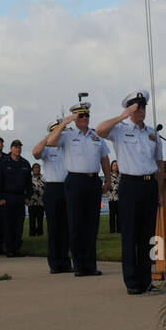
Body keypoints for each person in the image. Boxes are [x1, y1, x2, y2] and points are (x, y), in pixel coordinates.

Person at [96, 90, 164, 295]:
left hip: (149, 185)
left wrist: (160, 192)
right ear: (130, 108)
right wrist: (122, 116)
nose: (140, 110)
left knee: (147, 236)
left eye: (142, 106)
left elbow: (159, 164)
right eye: (136, 107)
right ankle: (132, 282)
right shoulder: (120, 129)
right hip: (130, 186)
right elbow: (100, 130)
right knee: (130, 235)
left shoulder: (153, 134)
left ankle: (146, 281)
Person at [46, 101, 110, 277]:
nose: (84, 118)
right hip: (75, 181)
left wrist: (108, 180)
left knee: (91, 225)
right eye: (80, 115)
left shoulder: (96, 136)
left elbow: (104, 157)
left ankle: (91, 265)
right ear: (75, 118)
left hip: (93, 181)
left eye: (86, 115)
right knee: (76, 224)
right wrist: (64, 123)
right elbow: (51, 141)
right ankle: (80, 265)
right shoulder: (67, 135)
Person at [33, 121, 72, 273]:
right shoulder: (47, 149)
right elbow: (35, 153)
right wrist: (48, 137)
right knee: (54, 228)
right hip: (53, 188)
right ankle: (55, 263)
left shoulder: (67, 147)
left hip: (68, 188)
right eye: (57, 131)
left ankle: (65, 261)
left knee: (67, 228)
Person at [0, 140, 33, 256]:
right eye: (16, 147)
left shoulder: (25, 163)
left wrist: (28, 196)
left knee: (19, 224)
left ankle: (17, 248)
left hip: (20, 197)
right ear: (11, 149)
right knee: (8, 224)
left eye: (19, 147)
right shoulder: (4, 162)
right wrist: (1, 197)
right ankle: (9, 249)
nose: (18, 149)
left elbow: (29, 182)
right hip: (7, 197)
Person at [28, 164, 45, 236]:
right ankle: (32, 233)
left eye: (38, 168)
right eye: (35, 168)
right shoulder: (29, 178)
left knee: (40, 219)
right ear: (32, 169)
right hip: (31, 202)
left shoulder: (43, 178)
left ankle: (40, 233)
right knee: (32, 219)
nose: (37, 169)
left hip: (41, 203)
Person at [107, 162, 121, 233]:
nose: (116, 167)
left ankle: (119, 230)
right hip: (111, 198)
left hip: (119, 198)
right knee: (112, 215)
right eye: (114, 165)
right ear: (111, 167)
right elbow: (108, 186)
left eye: (117, 166)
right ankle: (112, 230)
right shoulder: (109, 176)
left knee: (119, 215)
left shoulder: (120, 176)